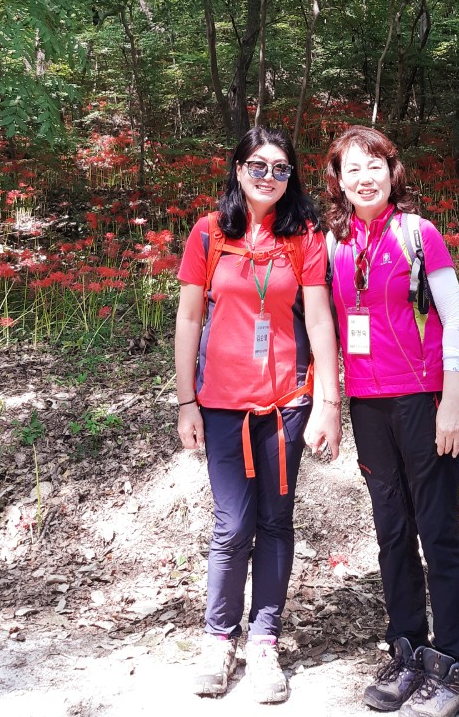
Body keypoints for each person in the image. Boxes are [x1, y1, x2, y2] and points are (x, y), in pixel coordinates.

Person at [176, 126, 341, 704]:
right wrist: (186, 402)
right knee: (232, 525)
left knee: (275, 522)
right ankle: (218, 639)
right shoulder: (208, 233)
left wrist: (329, 404)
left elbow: (319, 320)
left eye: (280, 168)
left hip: (285, 404)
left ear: (291, 176)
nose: (269, 176)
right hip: (222, 405)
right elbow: (189, 319)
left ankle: (265, 641)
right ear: (238, 169)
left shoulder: (304, 236)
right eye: (258, 166)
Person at [324, 126, 459, 717]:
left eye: (375, 166)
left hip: (422, 399)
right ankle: (407, 649)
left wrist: (452, 403)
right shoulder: (335, 242)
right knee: (391, 531)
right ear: (339, 180)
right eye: (352, 169)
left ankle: (455, 664)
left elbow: (455, 319)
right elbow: (326, 325)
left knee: (438, 531)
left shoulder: (419, 233)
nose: (365, 178)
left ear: (393, 173)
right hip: (367, 403)